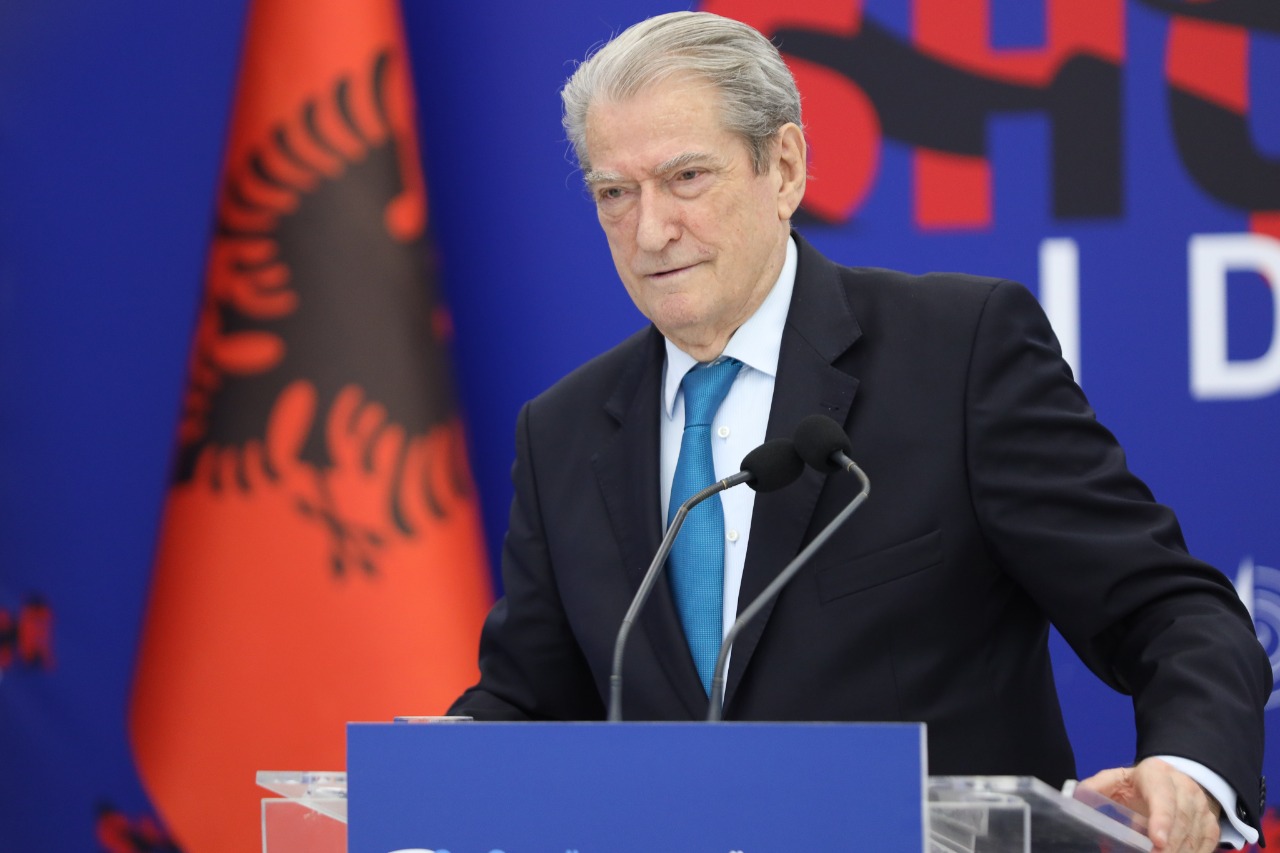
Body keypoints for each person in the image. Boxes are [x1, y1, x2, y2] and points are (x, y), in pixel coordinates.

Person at [449, 11, 1269, 852]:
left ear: (784, 167)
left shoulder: (957, 354)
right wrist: (425, 789)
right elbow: (527, 701)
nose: (650, 230)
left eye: (685, 177)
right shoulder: (562, 431)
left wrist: (1190, 767)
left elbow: (1167, 609)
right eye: (615, 194)